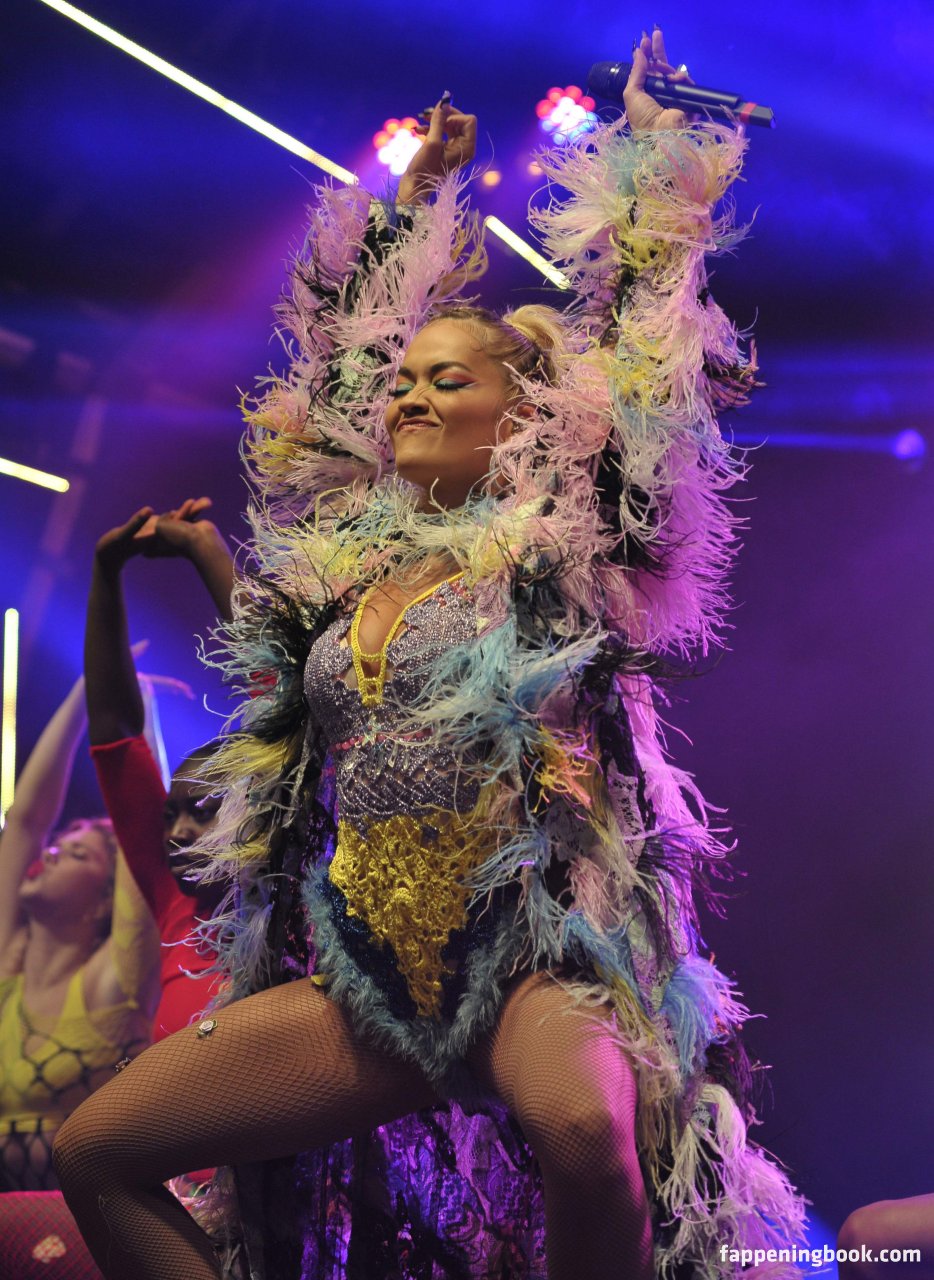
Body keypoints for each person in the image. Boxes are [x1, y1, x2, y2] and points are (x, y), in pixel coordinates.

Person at [54, 30, 806, 1280]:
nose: (406, 397)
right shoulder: (346, 561)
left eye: (444, 381)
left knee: (585, 1133)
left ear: (522, 416)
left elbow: (633, 382)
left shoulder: (556, 551)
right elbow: (342, 376)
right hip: (369, 975)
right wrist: (413, 210)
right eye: (401, 381)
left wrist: (643, 165)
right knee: (96, 1148)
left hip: (529, 959)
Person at [0, 673, 161, 1274]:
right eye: (57, 844)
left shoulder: (111, 984)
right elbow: (24, 823)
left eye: (76, 853)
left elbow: (146, 830)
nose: (49, 851)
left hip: (88, 1244)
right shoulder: (6, 969)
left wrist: (136, 714)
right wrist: (83, 692)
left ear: (101, 902)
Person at [86, 496, 234, 1043]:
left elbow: (290, 684)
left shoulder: (300, 910)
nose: (176, 832)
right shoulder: (177, 904)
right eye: (171, 814)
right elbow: (115, 735)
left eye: (203, 811)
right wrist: (106, 570)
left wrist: (205, 549)